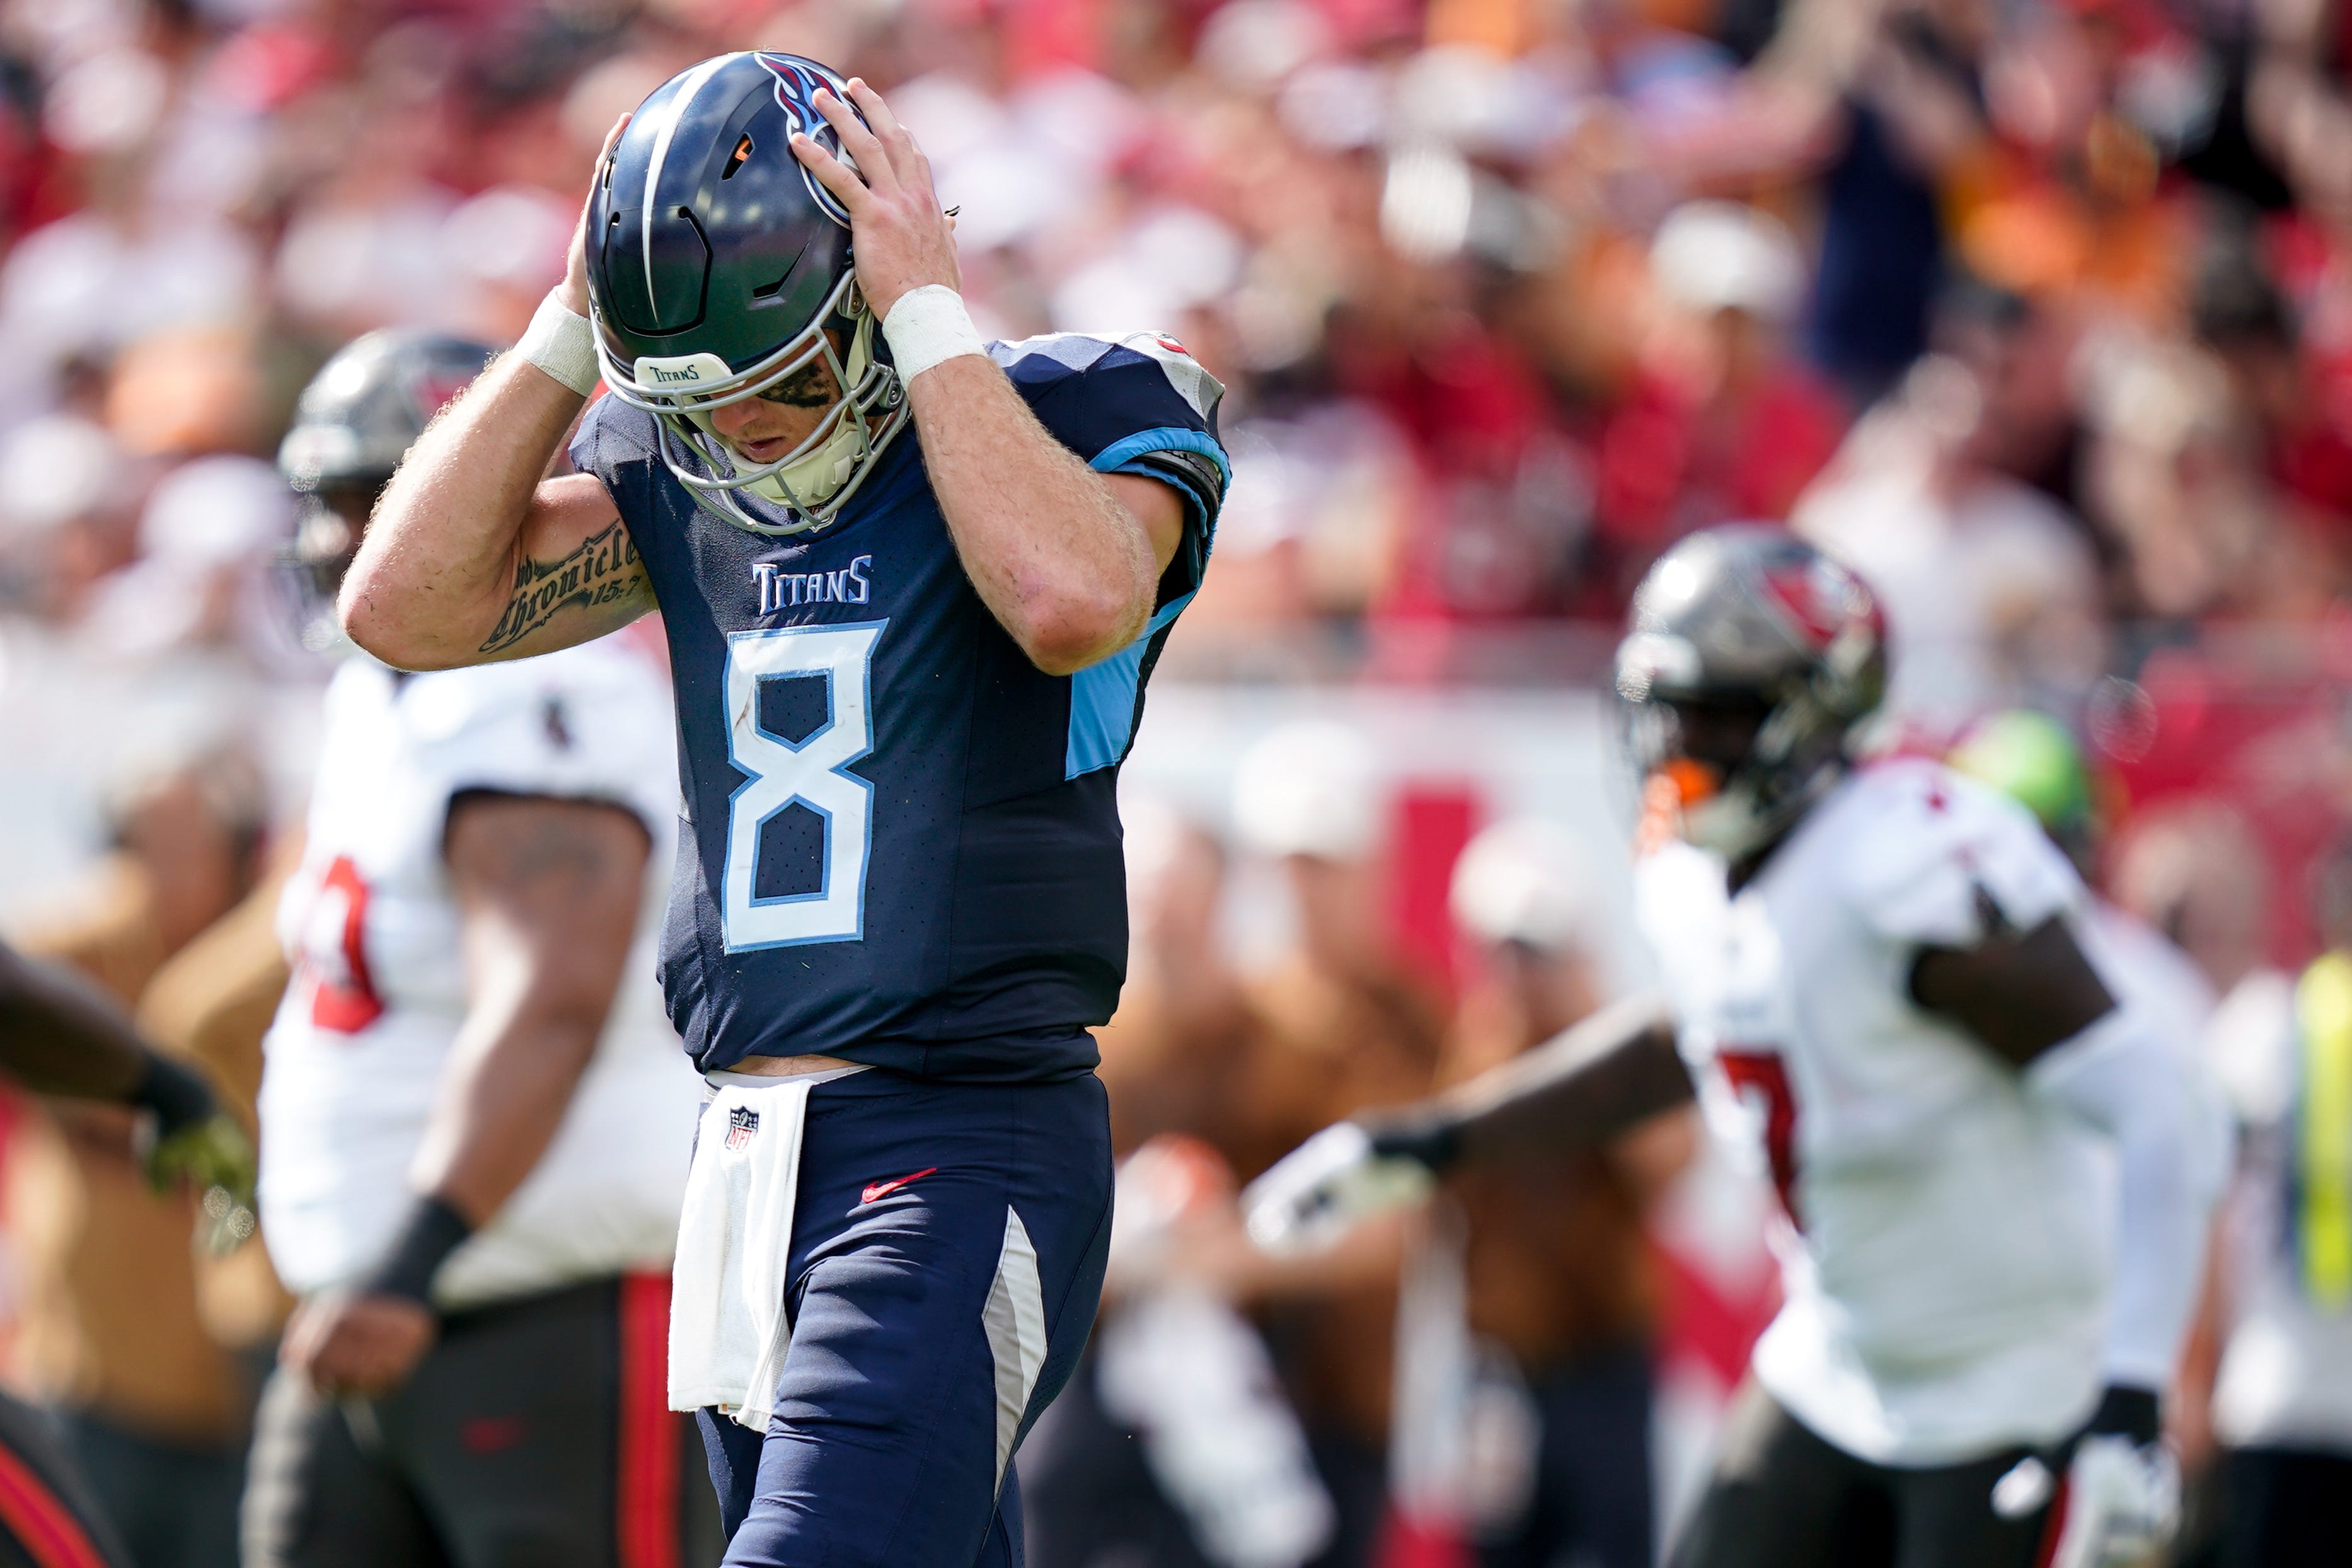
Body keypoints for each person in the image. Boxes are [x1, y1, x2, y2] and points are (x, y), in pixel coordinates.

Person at [336, 51, 1226, 1568]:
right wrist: (571, 321)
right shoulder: (671, 473)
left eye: (787, 378)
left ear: (871, 292)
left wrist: (927, 306)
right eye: (706, 402)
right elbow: (402, 606)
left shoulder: (1084, 406)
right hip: (745, 1154)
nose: (749, 433)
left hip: (961, 1129)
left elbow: (1073, 600)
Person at [1244, 525, 2225, 1568]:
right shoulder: (1696, 873)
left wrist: (2132, 1393)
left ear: (1815, 712)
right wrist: (1432, 1143)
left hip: (2017, 1383)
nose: (1677, 749)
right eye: (1665, 712)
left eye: (1714, 715)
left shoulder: (1908, 868)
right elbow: (1698, 1030)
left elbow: (2165, 1108)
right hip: (1839, 1359)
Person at [241, 330, 717, 1568]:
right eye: (335, 505)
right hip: (382, 1307)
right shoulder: (386, 694)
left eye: (379, 500)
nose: (348, 543)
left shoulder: (527, 688)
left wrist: (411, 1256)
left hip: (530, 1300)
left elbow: (550, 998)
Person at [5, 741, 272, 1568]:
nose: (161, 869)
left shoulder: (268, 961)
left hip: (225, 1389)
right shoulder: (79, 952)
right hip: (92, 1373)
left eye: (190, 843)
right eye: (140, 844)